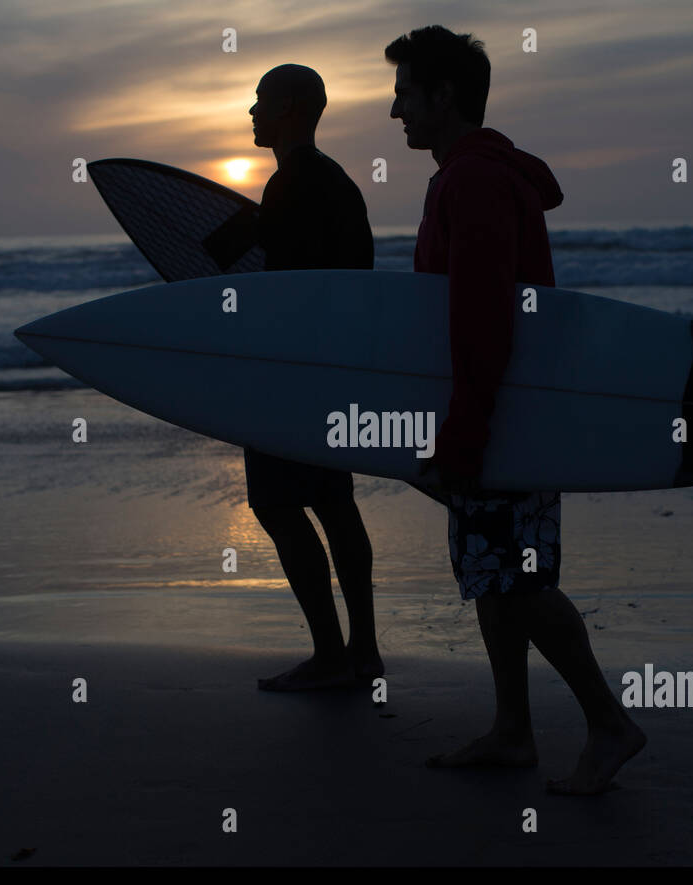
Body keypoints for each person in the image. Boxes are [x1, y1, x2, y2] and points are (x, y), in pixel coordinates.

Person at [384, 27, 646, 793]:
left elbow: (485, 317)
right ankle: (511, 731)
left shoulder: (473, 182)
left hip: (500, 416)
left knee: (518, 578)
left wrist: (466, 431)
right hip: (497, 410)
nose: (395, 111)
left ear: (443, 95)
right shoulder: (474, 174)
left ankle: (610, 722)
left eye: (405, 94)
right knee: (491, 573)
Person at [245, 64, 383, 691]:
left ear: (292, 108)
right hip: (334, 367)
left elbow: (275, 290)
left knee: (276, 502)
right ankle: (364, 650)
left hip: (290, 373)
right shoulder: (337, 183)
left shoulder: (293, 182)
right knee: (333, 500)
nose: (251, 113)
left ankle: (332, 656)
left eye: (261, 102)